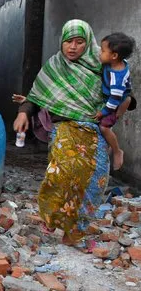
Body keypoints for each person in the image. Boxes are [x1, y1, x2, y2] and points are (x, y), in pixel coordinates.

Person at [13, 20, 135, 246]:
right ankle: (52, 218)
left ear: (88, 43)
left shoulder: (104, 64)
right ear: (62, 42)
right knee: (61, 174)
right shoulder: (54, 66)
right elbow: (36, 97)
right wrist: (23, 114)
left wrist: (116, 112)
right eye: (68, 41)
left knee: (95, 180)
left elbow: (126, 94)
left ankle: (75, 231)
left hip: (95, 129)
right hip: (65, 127)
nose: (73, 47)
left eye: (80, 42)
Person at [94, 33, 135, 171]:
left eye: (103, 51)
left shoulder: (117, 78)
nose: (100, 53)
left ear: (114, 56)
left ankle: (117, 150)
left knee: (104, 127)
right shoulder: (114, 63)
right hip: (119, 97)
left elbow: (114, 100)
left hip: (115, 101)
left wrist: (102, 112)